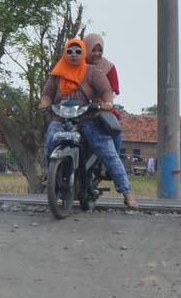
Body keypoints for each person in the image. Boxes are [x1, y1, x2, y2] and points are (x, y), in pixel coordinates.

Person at [38, 38, 139, 210]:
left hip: (88, 119)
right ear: (65, 53)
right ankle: (52, 181)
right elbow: (47, 93)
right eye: (70, 51)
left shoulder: (92, 72)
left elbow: (106, 90)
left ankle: (127, 194)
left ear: (83, 53)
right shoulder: (57, 73)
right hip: (61, 119)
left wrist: (107, 103)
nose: (74, 55)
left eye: (78, 51)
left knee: (107, 152)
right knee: (49, 144)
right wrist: (45, 103)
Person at [84, 33, 123, 154]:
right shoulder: (77, 66)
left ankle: (114, 165)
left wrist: (106, 103)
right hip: (78, 107)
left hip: (101, 107)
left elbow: (112, 90)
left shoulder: (108, 67)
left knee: (115, 130)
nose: (96, 54)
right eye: (93, 50)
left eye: (99, 50)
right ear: (86, 49)